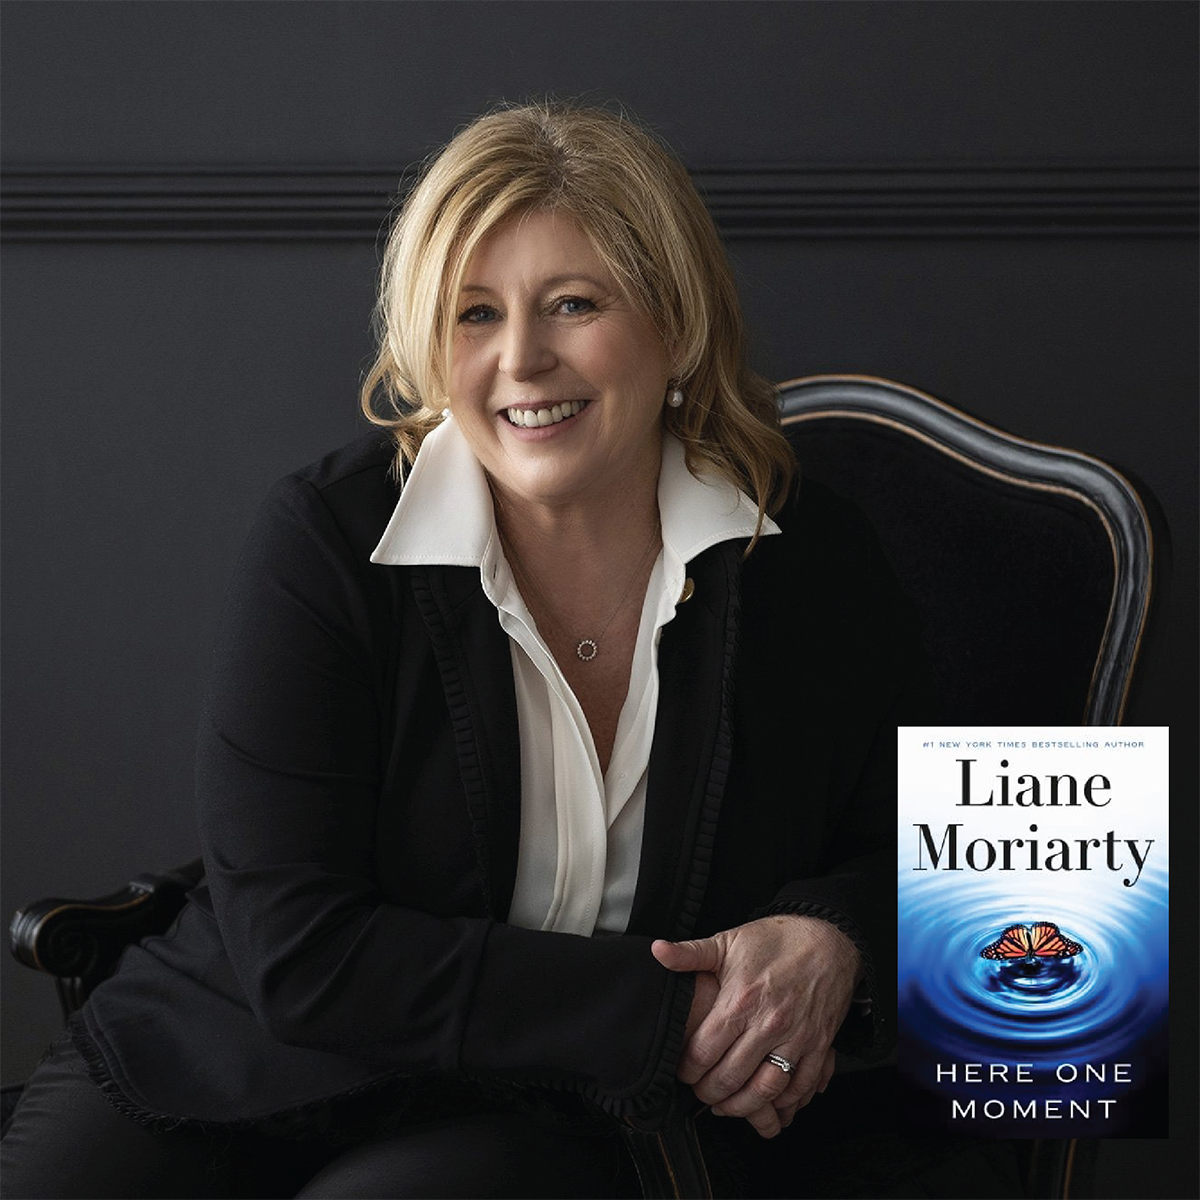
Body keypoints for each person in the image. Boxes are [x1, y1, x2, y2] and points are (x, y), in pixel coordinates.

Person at [0, 100, 939, 1198]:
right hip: (249, 1056)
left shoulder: (814, 560)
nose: (521, 360)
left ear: (677, 326)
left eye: (574, 304)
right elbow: (301, 955)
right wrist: (675, 1011)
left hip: (575, 1111)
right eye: (474, 313)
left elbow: (950, 862)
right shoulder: (327, 540)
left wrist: (835, 939)